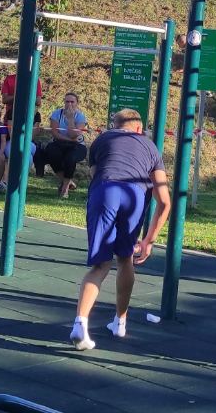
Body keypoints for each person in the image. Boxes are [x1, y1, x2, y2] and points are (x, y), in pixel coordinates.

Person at [69, 108, 173, 351]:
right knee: (126, 258)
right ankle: (120, 322)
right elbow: (165, 201)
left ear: (115, 126)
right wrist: (149, 240)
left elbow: (96, 176)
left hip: (106, 191)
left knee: (101, 265)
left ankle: (80, 323)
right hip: (134, 195)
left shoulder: (101, 140)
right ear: (139, 128)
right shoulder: (149, 147)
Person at [35, 93, 89, 198]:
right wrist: (70, 139)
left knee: (71, 158)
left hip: (77, 146)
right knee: (51, 153)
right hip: (60, 142)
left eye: (72, 102)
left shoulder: (80, 116)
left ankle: (65, 189)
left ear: (77, 103)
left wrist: (70, 119)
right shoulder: (56, 114)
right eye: (67, 101)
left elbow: (74, 134)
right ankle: (67, 182)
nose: (69, 104)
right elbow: (55, 133)